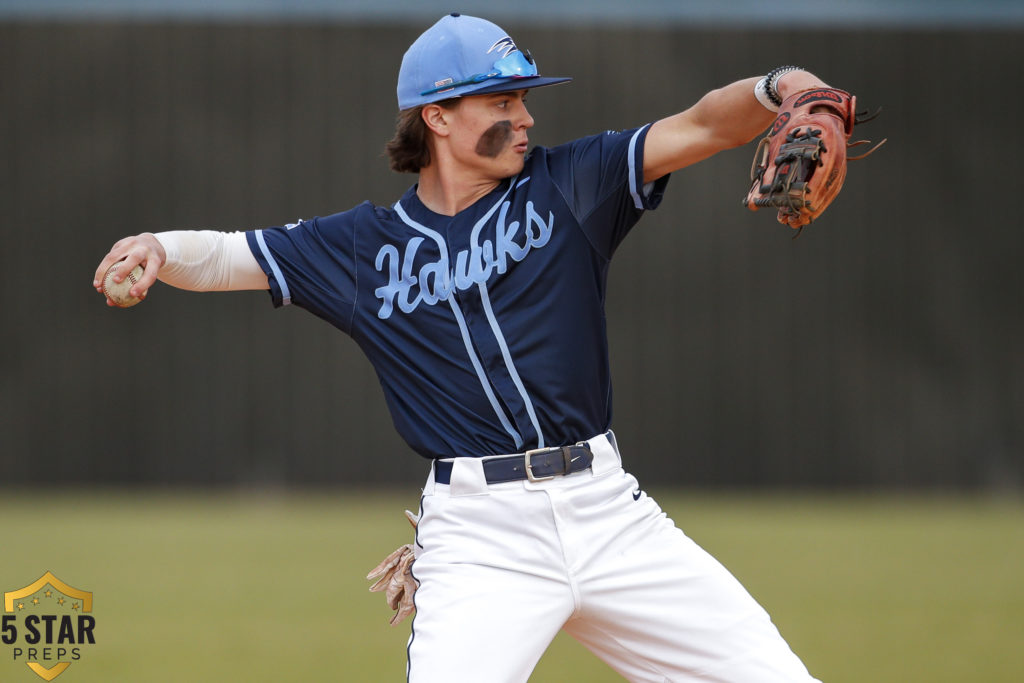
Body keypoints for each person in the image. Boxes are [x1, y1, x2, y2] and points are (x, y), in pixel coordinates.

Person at [94, 14, 828, 682]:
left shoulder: (571, 183)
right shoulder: (364, 249)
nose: (526, 116)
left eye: (524, 100)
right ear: (437, 117)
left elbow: (703, 126)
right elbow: (230, 256)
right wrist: (159, 245)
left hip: (609, 512)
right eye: (502, 103)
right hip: (482, 539)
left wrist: (784, 87)